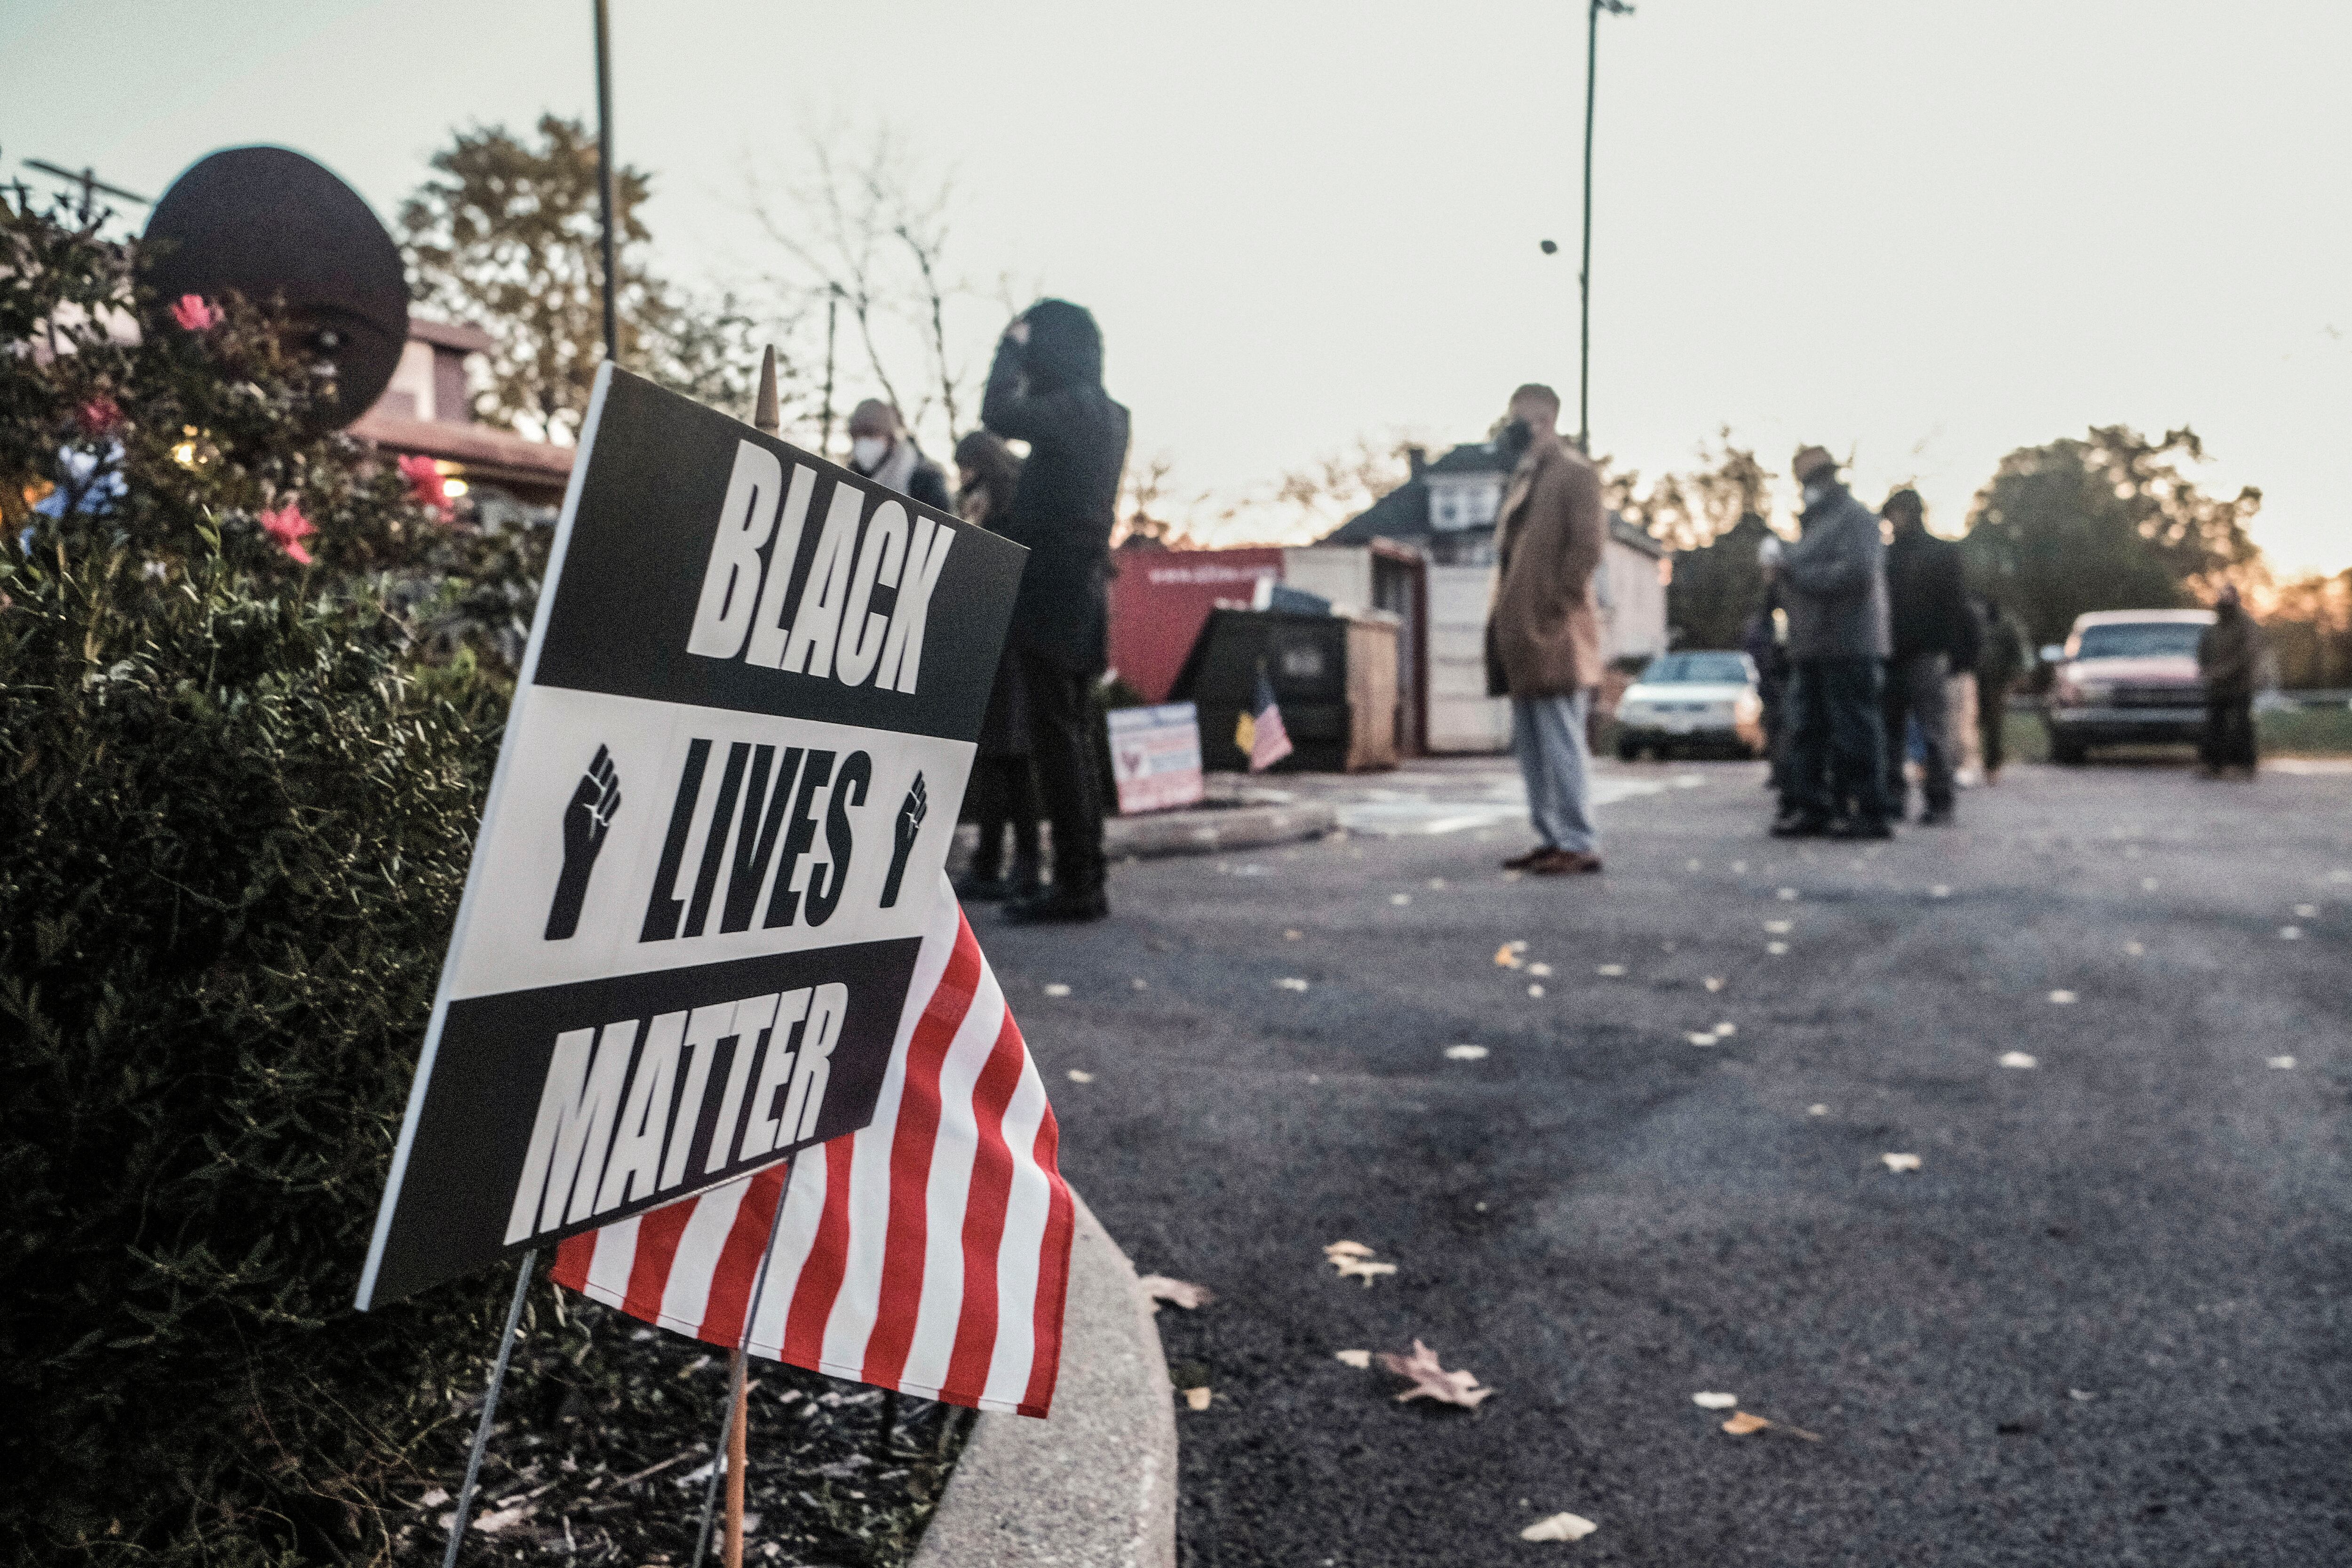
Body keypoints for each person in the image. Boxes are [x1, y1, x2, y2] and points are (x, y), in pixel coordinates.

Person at [980, 300, 1131, 923]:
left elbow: (996, 413)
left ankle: (1077, 884)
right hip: (1086, 590)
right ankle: (1083, 874)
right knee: (1074, 738)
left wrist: (1009, 346)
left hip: (1052, 588)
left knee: (1058, 740)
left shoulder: (1072, 411)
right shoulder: (1109, 414)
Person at [1485, 383, 1606, 875]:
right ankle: (1550, 836)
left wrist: (1556, 606)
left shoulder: (1574, 474)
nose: (1519, 428)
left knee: (1559, 739)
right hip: (1520, 631)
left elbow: (1587, 548)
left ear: (1548, 418)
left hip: (1553, 631)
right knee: (1532, 745)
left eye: (1527, 419)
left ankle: (1577, 840)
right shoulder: (1524, 476)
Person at [1771, 446, 1893, 839]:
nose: (1808, 489)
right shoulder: (1814, 525)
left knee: (1854, 729)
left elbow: (1857, 572)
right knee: (1808, 728)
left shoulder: (1856, 519)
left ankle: (1868, 810)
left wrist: (1794, 569)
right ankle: (1814, 807)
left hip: (1850, 643)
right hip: (1812, 644)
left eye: (1811, 481)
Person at [950, 430, 1042, 901]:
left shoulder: (1011, 509)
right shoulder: (975, 501)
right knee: (993, 759)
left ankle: (1022, 863)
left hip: (1012, 646)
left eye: (965, 465)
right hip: (991, 644)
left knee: (1012, 759)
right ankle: (993, 860)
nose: (962, 476)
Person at [1879, 488, 1976, 824]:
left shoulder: (1937, 554)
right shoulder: (1889, 556)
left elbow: (1957, 607)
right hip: (1897, 655)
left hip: (1923, 654)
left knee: (1930, 731)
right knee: (1898, 732)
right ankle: (1903, 798)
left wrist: (1959, 653)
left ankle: (1936, 799)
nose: (1891, 521)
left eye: (1895, 513)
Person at [2197, 583, 2262, 779]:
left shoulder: (2246, 625)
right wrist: (2207, 671)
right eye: (2223, 596)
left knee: (2241, 726)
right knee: (2214, 726)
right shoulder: (2214, 628)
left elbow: (2247, 654)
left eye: (2229, 596)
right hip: (2216, 688)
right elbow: (2203, 652)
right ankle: (2212, 765)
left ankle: (2243, 766)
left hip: (2239, 685)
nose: (2225, 600)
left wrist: (2223, 672)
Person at [845, 398, 953, 512]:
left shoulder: (927, 482)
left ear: (891, 438)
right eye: (857, 436)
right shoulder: (852, 477)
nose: (863, 442)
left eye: (871, 434)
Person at [1973, 596, 2027, 783]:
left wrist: (2014, 678)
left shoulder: (2005, 625)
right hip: (1972, 682)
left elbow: (2018, 653)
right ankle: (1970, 762)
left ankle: (1993, 764)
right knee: (1970, 724)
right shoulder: (1974, 624)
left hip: (1997, 683)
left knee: (1994, 725)